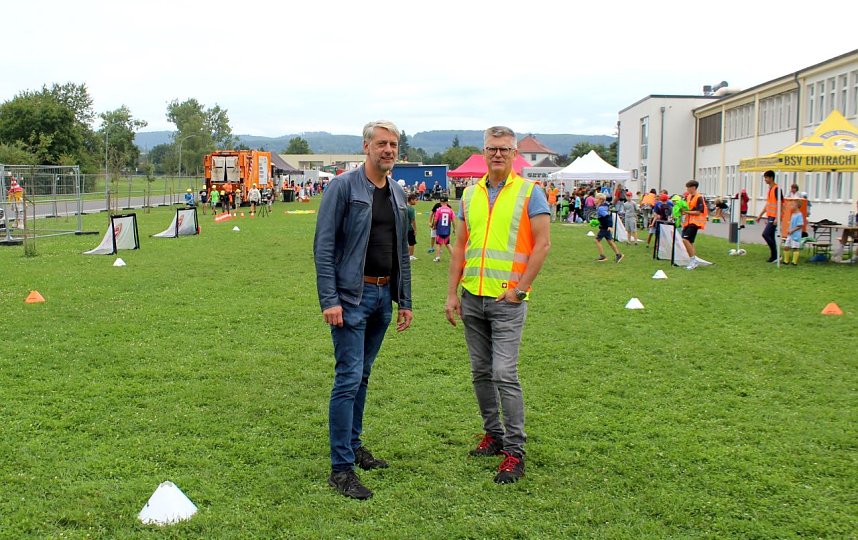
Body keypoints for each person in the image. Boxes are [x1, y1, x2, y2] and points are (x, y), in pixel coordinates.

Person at [444, 125, 551, 484]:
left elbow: (542, 245)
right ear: (484, 151)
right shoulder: (470, 195)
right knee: (480, 372)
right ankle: (494, 434)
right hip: (473, 297)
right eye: (492, 148)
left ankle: (514, 451)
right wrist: (451, 294)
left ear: (515, 152)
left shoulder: (530, 193)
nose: (498, 154)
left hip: (507, 301)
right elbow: (460, 247)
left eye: (505, 149)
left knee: (504, 373)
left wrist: (520, 290)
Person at [313, 120, 413, 500]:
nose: (388, 150)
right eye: (382, 143)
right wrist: (330, 300)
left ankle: (353, 447)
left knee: (363, 376)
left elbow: (401, 250)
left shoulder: (398, 193)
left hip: (382, 298)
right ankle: (341, 469)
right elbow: (324, 248)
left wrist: (405, 300)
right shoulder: (343, 187)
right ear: (366, 147)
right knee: (348, 378)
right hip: (350, 299)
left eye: (394, 144)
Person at [680, 180, 713, 270]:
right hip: (688, 222)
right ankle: (693, 260)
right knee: (690, 242)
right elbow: (687, 208)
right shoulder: (689, 197)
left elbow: (698, 212)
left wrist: (686, 211)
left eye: (688, 187)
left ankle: (693, 260)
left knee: (685, 239)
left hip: (695, 222)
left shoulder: (699, 197)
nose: (687, 189)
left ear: (693, 187)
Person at [756, 170, 781, 263]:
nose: (765, 180)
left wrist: (777, 218)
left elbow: (780, 204)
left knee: (765, 234)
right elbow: (768, 204)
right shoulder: (770, 189)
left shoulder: (777, 189)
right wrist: (760, 215)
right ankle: (774, 256)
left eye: (766, 178)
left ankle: (776, 255)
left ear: (771, 178)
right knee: (770, 235)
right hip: (770, 216)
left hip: (774, 217)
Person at [593, 193, 624, 262]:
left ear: (600, 200)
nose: (594, 200)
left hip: (605, 227)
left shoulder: (601, 208)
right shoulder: (602, 207)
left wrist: (610, 226)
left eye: (596, 198)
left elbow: (608, 217)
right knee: (610, 241)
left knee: (597, 240)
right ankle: (618, 254)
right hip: (605, 226)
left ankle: (602, 256)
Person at [432, 196, 455, 263]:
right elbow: (453, 220)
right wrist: (454, 229)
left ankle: (437, 257)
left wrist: (434, 226)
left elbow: (436, 220)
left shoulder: (439, 210)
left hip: (440, 229)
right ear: (447, 202)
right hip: (447, 229)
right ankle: (454, 257)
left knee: (439, 243)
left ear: (440, 202)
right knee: (447, 243)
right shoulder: (450, 210)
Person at [783, 199, 805, 266]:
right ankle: (786, 261)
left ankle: (794, 262)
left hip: (795, 234)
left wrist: (792, 230)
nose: (791, 206)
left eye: (792, 205)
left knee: (795, 248)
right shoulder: (793, 214)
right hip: (790, 234)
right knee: (786, 246)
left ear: (797, 206)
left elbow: (800, 225)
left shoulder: (799, 215)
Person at [407, 192, 418, 260]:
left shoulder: (403, 206)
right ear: (411, 200)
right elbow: (413, 221)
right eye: (415, 200)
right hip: (409, 228)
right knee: (412, 242)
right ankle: (411, 255)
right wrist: (415, 229)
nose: (416, 201)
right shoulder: (411, 209)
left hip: (403, 228)